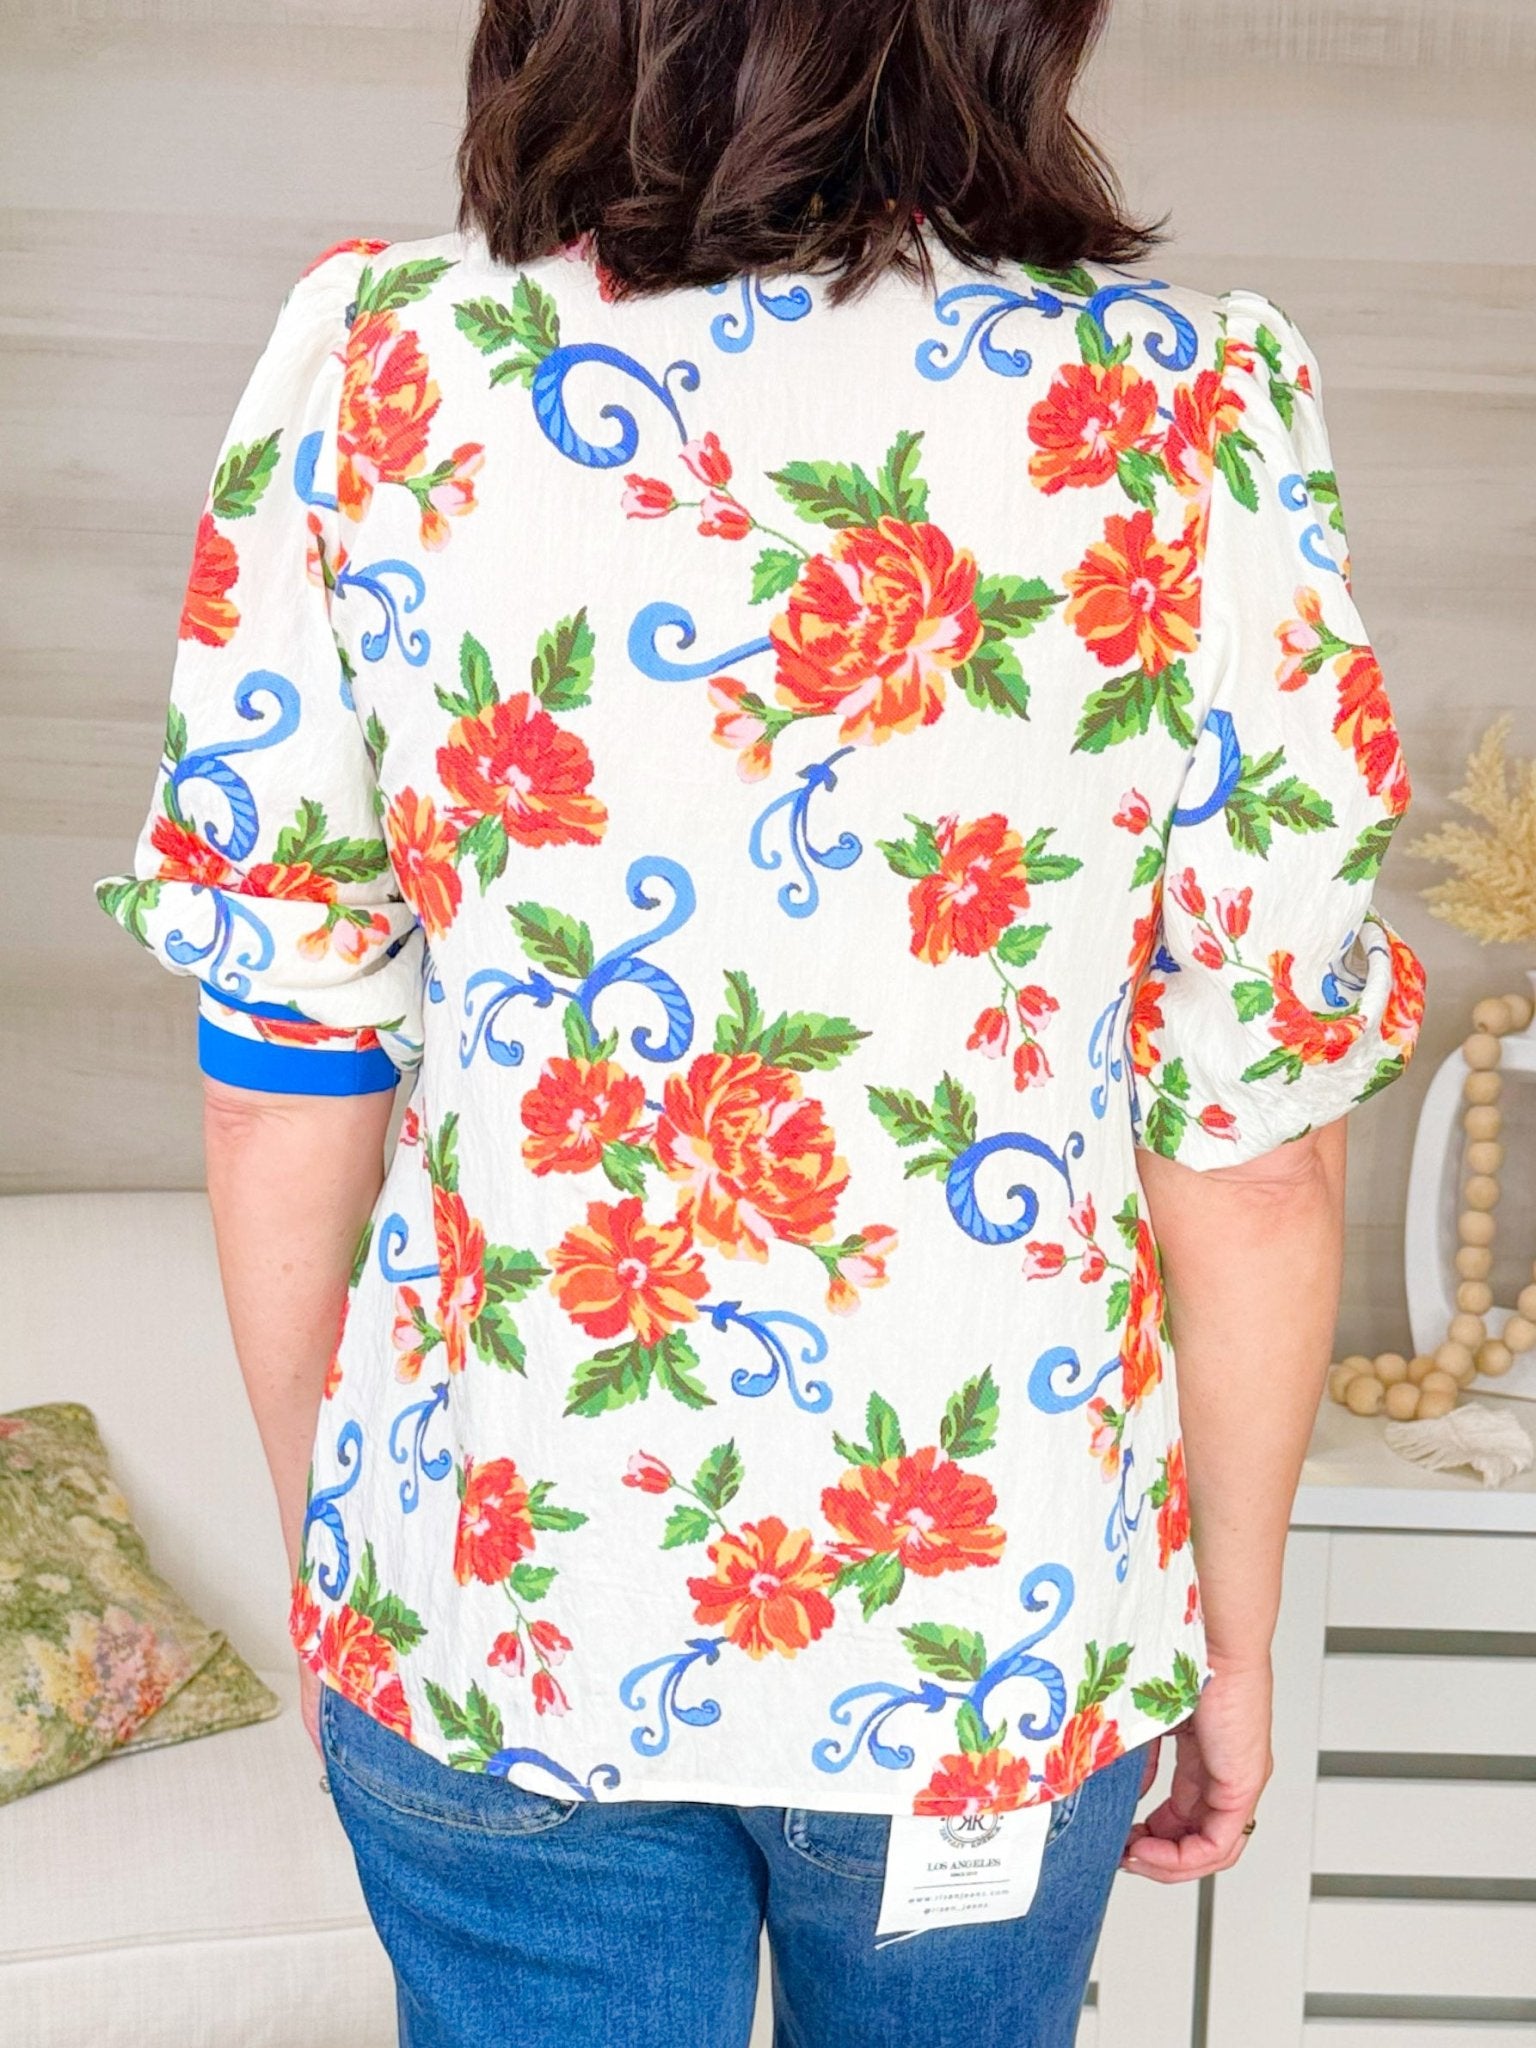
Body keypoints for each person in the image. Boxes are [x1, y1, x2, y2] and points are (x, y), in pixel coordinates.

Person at [98, 1, 1427, 2041]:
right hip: (996, 1632)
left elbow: (283, 1067)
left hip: (489, 1601)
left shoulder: (380, 366)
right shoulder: (1188, 408)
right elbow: (1252, 1143)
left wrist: (347, 1557)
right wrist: (1226, 1639)